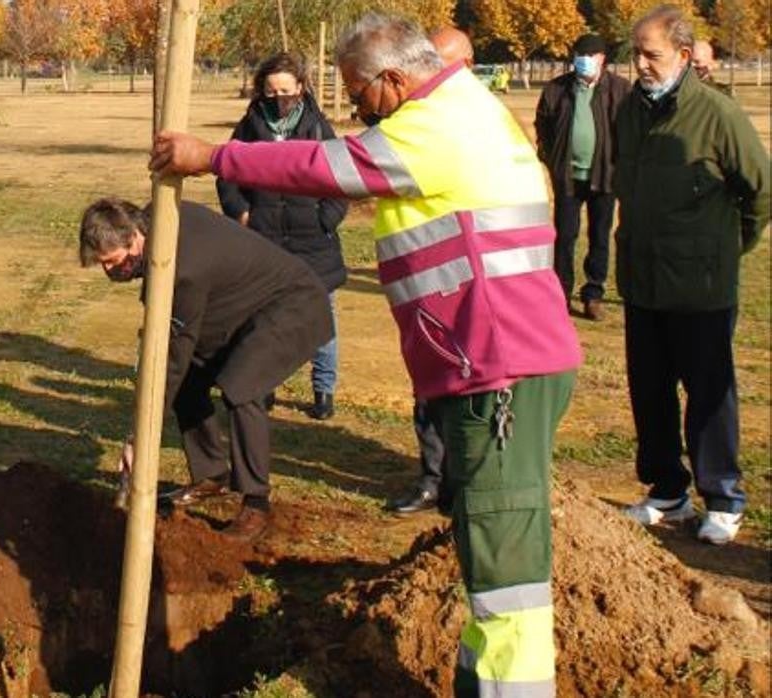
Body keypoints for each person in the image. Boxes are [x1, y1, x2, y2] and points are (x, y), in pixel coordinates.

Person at [150, 13, 580, 696]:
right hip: (491, 361)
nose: (352, 106)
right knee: (487, 550)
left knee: (506, 572)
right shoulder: (464, 106)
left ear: (394, 78)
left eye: (358, 91)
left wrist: (213, 157)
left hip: (499, 367)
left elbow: (327, 166)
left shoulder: (438, 124)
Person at [79, 198, 333, 543]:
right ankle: (211, 474)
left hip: (291, 305)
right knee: (187, 384)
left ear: (135, 237)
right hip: (236, 312)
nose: (110, 272)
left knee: (242, 387)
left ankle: (255, 503)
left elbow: (172, 356)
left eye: (113, 262)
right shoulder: (158, 224)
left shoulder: (182, 269)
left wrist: (141, 435)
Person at [615, 6, 769, 545]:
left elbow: (760, 189)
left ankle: (723, 497)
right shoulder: (629, 111)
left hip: (700, 286)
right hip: (643, 280)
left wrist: (727, 248)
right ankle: (667, 491)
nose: (640, 64)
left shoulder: (717, 113)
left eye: (652, 54)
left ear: (684, 55)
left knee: (709, 394)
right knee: (649, 390)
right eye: (635, 52)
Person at [216, 52, 349, 421]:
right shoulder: (248, 127)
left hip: (314, 241)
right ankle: (263, 383)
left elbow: (341, 179)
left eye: (286, 90)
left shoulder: (319, 128)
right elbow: (227, 173)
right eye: (271, 91)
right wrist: (241, 213)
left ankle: (323, 390)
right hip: (264, 239)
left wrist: (327, 219)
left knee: (322, 319)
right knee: (263, 319)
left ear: (301, 88)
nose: (279, 97)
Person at [386, 25, 472, 515]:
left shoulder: (479, 119)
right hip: (425, 283)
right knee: (429, 386)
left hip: (473, 283)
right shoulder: (415, 121)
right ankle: (434, 477)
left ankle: (468, 482)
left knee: (471, 391)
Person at [534, 33, 631, 322]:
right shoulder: (556, 89)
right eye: (579, 54)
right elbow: (543, 125)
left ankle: (593, 295)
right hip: (567, 176)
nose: (583, 60)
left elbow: (628, 129)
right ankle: (560, 295)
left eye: (589, 55)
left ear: (602, 59)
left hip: (605, 176)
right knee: (564, 236)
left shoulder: (620, 89)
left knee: (600, 236)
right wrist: (549, 156)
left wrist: (620, 164)